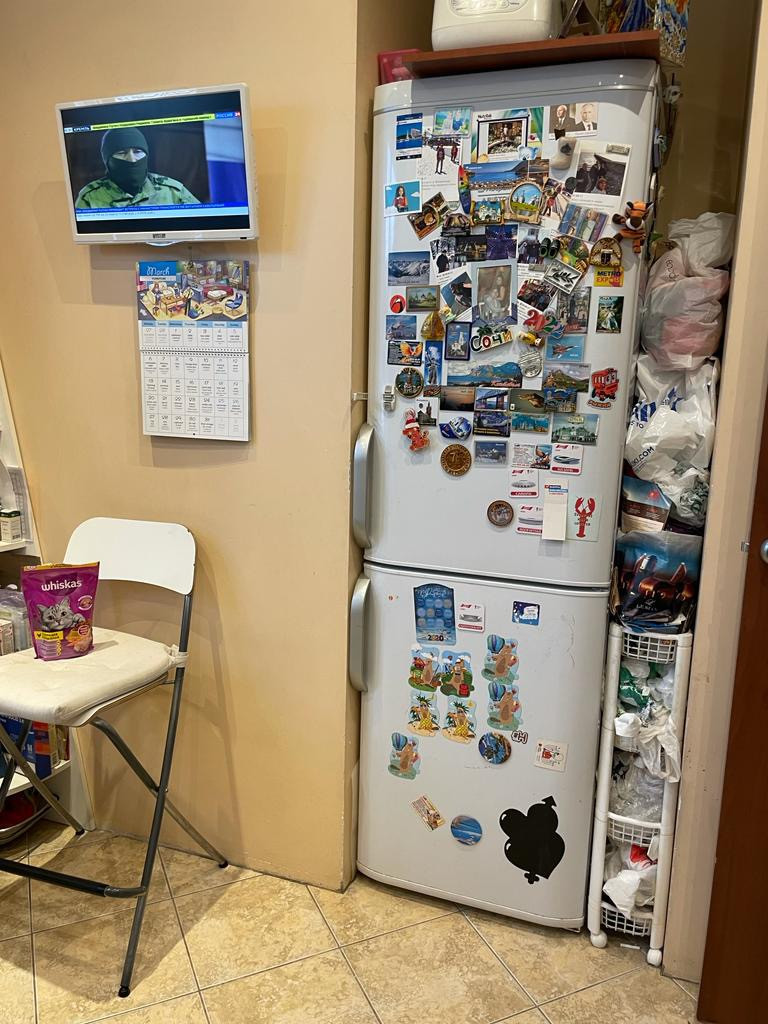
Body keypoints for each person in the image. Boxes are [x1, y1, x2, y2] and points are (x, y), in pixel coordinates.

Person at [75, 127, 200, 208]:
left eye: (137, 152)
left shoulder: (173, 191)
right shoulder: (90, 197)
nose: (132, 159)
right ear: (107, 160)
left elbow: (202, 227)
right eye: (122, 153)